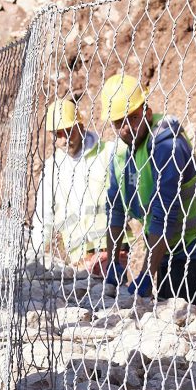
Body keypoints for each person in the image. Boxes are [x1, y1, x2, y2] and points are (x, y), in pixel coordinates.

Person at [99, 73, 196, 310]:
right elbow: (115, 210)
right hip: (164, 247)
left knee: (183, 319)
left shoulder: (167, 145)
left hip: (195, 247)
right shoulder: (120, 154)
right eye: (119, 123)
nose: (127, 128)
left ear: (147, 111)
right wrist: (112, 262)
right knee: (165, 311)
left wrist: (146, 273)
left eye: (133, 118)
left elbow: (163, 214)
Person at [29, 97, 121, 272]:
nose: (65, 139)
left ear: (80, 126)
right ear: (51, 135)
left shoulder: (108, 153)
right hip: (80, 257)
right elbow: (43, 217)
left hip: (113, 248)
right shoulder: (52, 169)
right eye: (58, 134)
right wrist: (34, 254)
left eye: (69, 131)